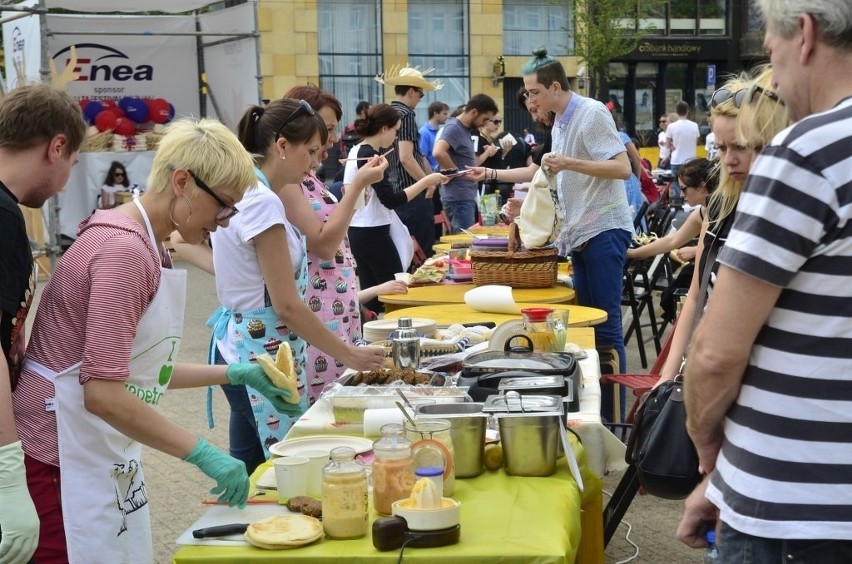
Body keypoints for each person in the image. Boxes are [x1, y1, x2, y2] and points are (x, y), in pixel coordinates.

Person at [13, 118, 297, 562]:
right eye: (223, 206)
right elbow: (104, 394)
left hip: (85, 443)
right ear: (182, 182)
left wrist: (237, 372)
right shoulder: (123, 252)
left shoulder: (147, 242)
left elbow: (140, 368)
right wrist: (201, 452)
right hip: (56, 451)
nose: (224, 225)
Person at [678, 1, 852, 558]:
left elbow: (716, 355)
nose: (773, 76)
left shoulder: (808, 151)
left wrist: (711, 454)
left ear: (804, 35)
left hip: (794, 510)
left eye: (771, 56)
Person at [202, 99, 386, 474]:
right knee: (282, 468)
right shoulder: (263, 202)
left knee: (253, 467)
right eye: (311, 151)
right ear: (282, 146)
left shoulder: (250, 190)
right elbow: (286, 305)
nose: (316, 162)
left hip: (245, 346)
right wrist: (348, 354)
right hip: (257, 350)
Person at [0, 84, 86, 564]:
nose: (67, 180)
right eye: (72, 163)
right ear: (56, 146)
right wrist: (9, 472)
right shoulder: (3, 216)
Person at [280, 85, 405, 401]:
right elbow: (322, 244)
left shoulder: (308, 177)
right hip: (317, 319)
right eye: (326, 129)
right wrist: (357, 186)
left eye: (333, 129)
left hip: (337, 314)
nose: (331, 139)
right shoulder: (287, 182)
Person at [521, 47, 633, 373]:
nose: (532, 100)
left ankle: (614, 414)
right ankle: (598, 405)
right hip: (582, 232)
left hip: (604, 228)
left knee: (606, 327)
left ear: (556, 87)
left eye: (535, 92)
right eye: (529, 93)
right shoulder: (559, 122)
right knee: (587, 324)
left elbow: (622, 168)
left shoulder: (591, 112)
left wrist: (568, 163)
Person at [347, 104, 446, 312]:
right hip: (372, 232)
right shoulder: (368, 155)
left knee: (373, 298)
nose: (396, 137)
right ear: (384, 128)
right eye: (395, 131)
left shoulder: (357, 150)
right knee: (396, 293)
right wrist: (426, 181)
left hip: (359, 230)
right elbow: (390, 200)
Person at [376, 65, 442, 256]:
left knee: (404, 251)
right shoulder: (405, 114)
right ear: (411, 91)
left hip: (393, 192)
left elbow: (416, 155)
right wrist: (427, 183)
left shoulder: (386, 112)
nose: (420, 100)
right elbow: (407, 157)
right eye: (421, 95)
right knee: (422, 252)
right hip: (411, 195)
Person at [433, 93, 498, 232]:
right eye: (485, 119)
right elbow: (438, 152)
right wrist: (454, 172)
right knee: (464, 245)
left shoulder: (463, 129)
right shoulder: (454, 127)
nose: (485, 123)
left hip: (463, 196)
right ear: (474, 112)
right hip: (458, 198)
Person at [666, 101, 700, 203]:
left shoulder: (671, 127)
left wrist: (673, 146)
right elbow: (696, 140)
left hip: (676, 160)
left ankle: (679, 207)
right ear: (687, 111)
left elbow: (667, 144)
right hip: (691, 160)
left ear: (676, 112)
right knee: (690, 184)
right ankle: (690, 205)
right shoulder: (694, 125)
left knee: (677, 186)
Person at [419, 101, 449, 172]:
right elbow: (422, 157)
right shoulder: (424, 133)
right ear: (435, 113)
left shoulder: (440, 131)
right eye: (444, 114)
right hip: (433, 175)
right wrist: (431, 177)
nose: (447, 117)